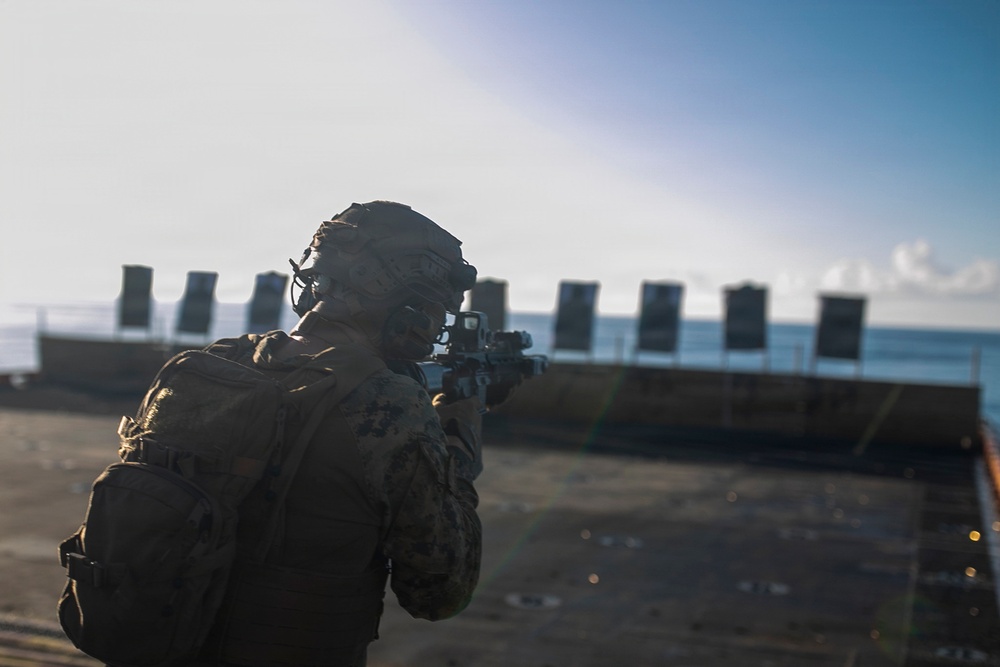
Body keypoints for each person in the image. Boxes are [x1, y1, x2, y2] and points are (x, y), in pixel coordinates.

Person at [193, 200, 485, 666]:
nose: (434, 329)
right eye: (431, 311)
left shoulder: (212, 364)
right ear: (400, 300)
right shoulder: (390, 404)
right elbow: (441, 590)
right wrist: (460, 436)